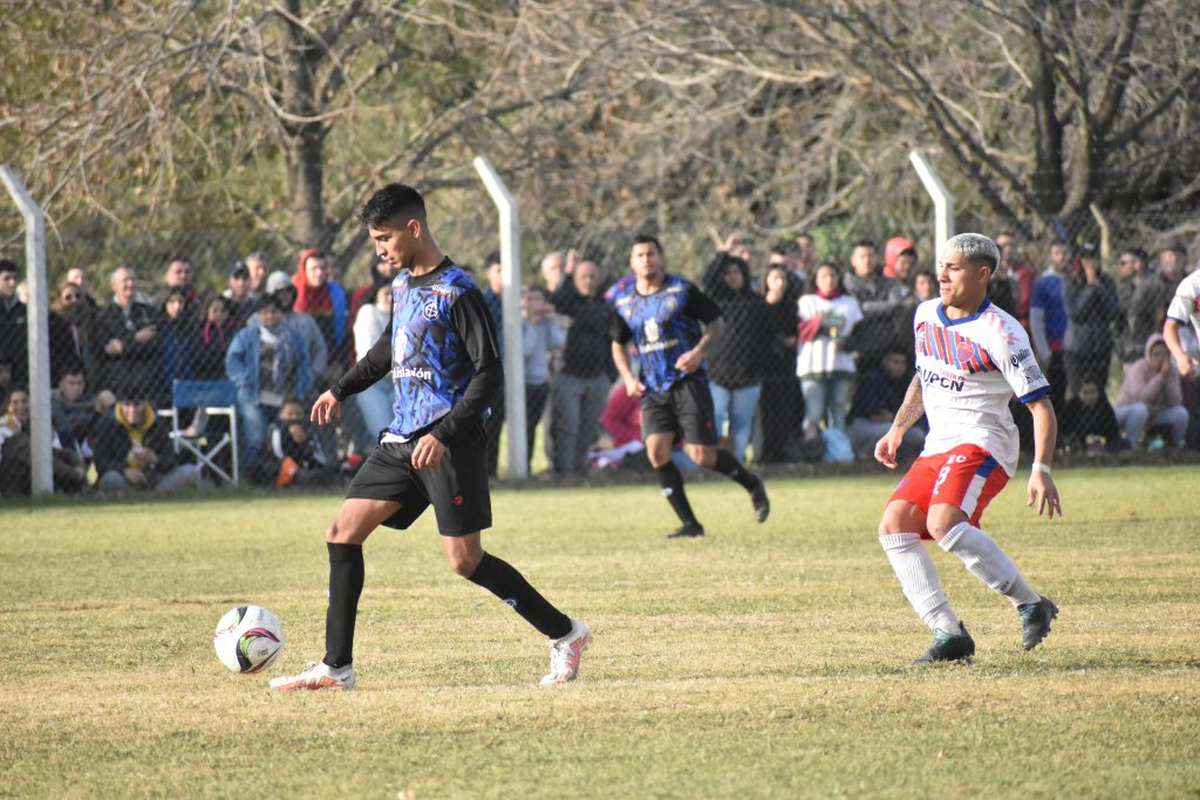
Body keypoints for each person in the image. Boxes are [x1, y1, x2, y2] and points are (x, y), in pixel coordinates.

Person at [268, 183, 590, 692]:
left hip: (448, 444)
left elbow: (489, 373)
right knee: (342, 532)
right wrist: (339, 389)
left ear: (413, 228)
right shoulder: (402, 285)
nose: (380, 249)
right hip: (401, 440)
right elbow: (386, 351)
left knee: (465, 561)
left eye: (384, 238)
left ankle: (565, 633)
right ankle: (336, 667)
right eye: (375, 240)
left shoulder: (458, 291)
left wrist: (443, 433)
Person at [875, 233, 1061, 664]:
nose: (941, 275)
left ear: (982, 274)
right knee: (894, 526)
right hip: (938, 445)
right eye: (940, 265)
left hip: (983, 443)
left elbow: (1041, 406)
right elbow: (924, 374)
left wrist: (1041, 469)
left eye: (953, 268)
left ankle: (1030, 603)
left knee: (943, 521)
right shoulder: (925, 314)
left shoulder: (1002, 332)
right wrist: (898, 427)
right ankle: (948, 632)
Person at [606, 234, 770, 539]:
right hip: (653, 388)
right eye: (640, 255)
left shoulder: (681, 290)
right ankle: (691, 524)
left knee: (701, 456)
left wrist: (698, 352)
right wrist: (628, 378)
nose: (646, 260)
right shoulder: (626, 301)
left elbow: (716, 322)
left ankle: (752, 483)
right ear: (631, 262)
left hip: (687, 383)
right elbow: (617, 343)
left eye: (651, 254)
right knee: (656, 451)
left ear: (661, 257)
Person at [225, 294, 313, 470]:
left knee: (288, 435)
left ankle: (286, 473)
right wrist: (244, 379)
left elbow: (304, 366)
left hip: (284, 398)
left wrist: (299, 392)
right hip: (253, 396)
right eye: (264, 313)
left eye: (274, 312)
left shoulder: (292, 337)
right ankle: (249, 473)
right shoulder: (247, 336)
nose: (270, 316)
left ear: (281, 313)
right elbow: (232, 360)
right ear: (258, 315)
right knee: (255, 437)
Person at [549, 257, 613, 475]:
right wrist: (567, 273)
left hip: (598, 376)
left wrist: (610, 375)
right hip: (569, 374)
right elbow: (556, 299)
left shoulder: (605, 306)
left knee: (589, 426)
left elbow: (612, 340)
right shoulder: (568, 304)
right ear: (575, 279)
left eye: (593, 277)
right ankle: (566, 472)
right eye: (583, 276)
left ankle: (581, 469)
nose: (588, 281)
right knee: (568, 425)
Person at [93, 386, 202, 495]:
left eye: (137, 405)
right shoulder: (109, 422)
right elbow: (100, 461)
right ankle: (139, 495)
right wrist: (125, 470)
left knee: (191, 472)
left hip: (154, 479)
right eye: (127, 405)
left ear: (145, 404)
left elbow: (171, 460)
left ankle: (153, 494)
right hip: (123, 478)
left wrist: (155, 459)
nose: (132, 410)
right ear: (120, 405)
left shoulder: (155, 422)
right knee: (112, 478)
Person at [797, 263, 862, 439]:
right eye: (823, 276)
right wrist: (818, 322)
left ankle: (838, 450)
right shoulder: (807, 302)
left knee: (838, 412)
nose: (829, 280)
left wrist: (845, 343)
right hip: (813, 366)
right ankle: (812, 449)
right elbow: (800, 331)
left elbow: (859, 335)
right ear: (815, 280)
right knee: (814, 413)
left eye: (832, 275)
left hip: (842, 366)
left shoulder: (850, 303)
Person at [754, 262, 803, 464]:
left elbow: (795, 334)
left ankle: (785, 451)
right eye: (775, 278)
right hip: (765, 367)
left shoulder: (791, 307)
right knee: (767, 411)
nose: (780, 283)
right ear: (766, 281)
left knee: (788, 410)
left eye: (783, 279)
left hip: (787, 368)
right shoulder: (758, 307)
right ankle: (766, 453)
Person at [92, 266, 160, 397]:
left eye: (133, 279)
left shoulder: (147, 312)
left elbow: (153, 344)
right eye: (125, 280)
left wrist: (123, 345)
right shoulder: (104, 315)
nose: (130, 284)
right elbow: (105, 349)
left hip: (146, 382)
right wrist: (136, 338)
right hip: (117, 383)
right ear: (114, 286)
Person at [1063, 242, 1120, 397]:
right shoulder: (1071, 281)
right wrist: (1089, 288)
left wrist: (1097, 286)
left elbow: (1113, 311)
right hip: (1077, 347)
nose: (1089, 264)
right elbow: (1075, 312)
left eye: (1092, 259)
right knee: (1077, 394)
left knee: (1099, 394)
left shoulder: (1106, 281)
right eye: (1085, 259)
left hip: (1101, 347)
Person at [847, 349, 925, 461]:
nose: (900, 367)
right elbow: (875, 416)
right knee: (890, 430)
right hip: (860, 425)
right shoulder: (873, 378)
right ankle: (865, 456)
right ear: (885, 362)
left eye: (903, 363)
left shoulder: (904, 382)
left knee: (917, 435)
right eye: (895, 362)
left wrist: (895, 417)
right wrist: (899, 417)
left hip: (890, 423)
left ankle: (897, 458)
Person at [1113, 334, 1188, 449]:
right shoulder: (1139, 368)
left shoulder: (1171, 370)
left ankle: (1175, 446)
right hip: (1128, 412)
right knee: (1140, 410)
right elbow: (1140, 398)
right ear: (1149, 354)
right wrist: (1160, 378)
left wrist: (1167, 378)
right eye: (1156, 354)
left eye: (1164, 354)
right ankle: (1130, 446)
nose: (1160, 358)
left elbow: (1176, 401)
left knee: (1181, 413)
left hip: (1153, 414)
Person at [520, 284, 563, 472]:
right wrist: (531, 325)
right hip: (523, 384)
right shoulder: (520, 324)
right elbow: (525, 352)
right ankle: (522, 466)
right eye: (529, 299)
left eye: (538, 299)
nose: (534, 303)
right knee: (524, 427)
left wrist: (551, 321)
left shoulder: (545, 323)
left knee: (534, 425)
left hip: (541, 382)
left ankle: (530, 465)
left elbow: (557, 342)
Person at [291, 248, 349, 386]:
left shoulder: (335, 292)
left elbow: (340, 331)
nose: (319, 273)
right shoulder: (292, 290)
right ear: (304, 270)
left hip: (328, 358)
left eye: (323, 268)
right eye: (314, 268)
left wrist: (337, 363)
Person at [251, 397, 333, 487]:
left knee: (324, 472)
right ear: (281, 415)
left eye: (298, 414)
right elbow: (278, 454)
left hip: (301, 466)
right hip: (279, 466)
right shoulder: (276, 430)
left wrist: (304, 442)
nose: (294, 418)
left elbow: (321, 460)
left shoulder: (309, 432)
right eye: (290, 414)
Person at [351, 283, 395, 445]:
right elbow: (370, 355)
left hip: (397, 383)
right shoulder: (369, 312)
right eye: (386, 293)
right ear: (376, 294)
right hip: (373, 383)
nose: (390, 298)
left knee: (404, 432)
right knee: (382, 432)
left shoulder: (404, 314)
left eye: (394, 293)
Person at [1030, 241, 1070, 411]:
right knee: (1055, 395)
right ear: (1050, 256)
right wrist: (1044, 351)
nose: (1061, 257)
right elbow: (1036, 319)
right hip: (1054, 349)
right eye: (1057, 253)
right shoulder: (1043, 283)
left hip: (1074, 348)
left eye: (1064, 253)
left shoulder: (1075, 279)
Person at [1059, 380, 1124, 454]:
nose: (1090, 397)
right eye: (1085, 393)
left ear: (1098, 393)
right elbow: (1063, 430)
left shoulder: (1104, 407)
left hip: (1102, 444)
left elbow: (1114, 432)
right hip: (1078, 443)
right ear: (1079, 393)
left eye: (1093, 392)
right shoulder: (1071, 407)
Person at [0, 260, 27, 387]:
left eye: (15, 278)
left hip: (20, 374)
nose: (12, 283)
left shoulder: (24, 310)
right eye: (6, 278)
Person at [222, 261, 256, 327]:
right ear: (228, 281)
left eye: (245, 277)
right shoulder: (222, 306)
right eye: (236, 278)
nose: (241, 283)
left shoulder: (256, 307)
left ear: (250, 281)